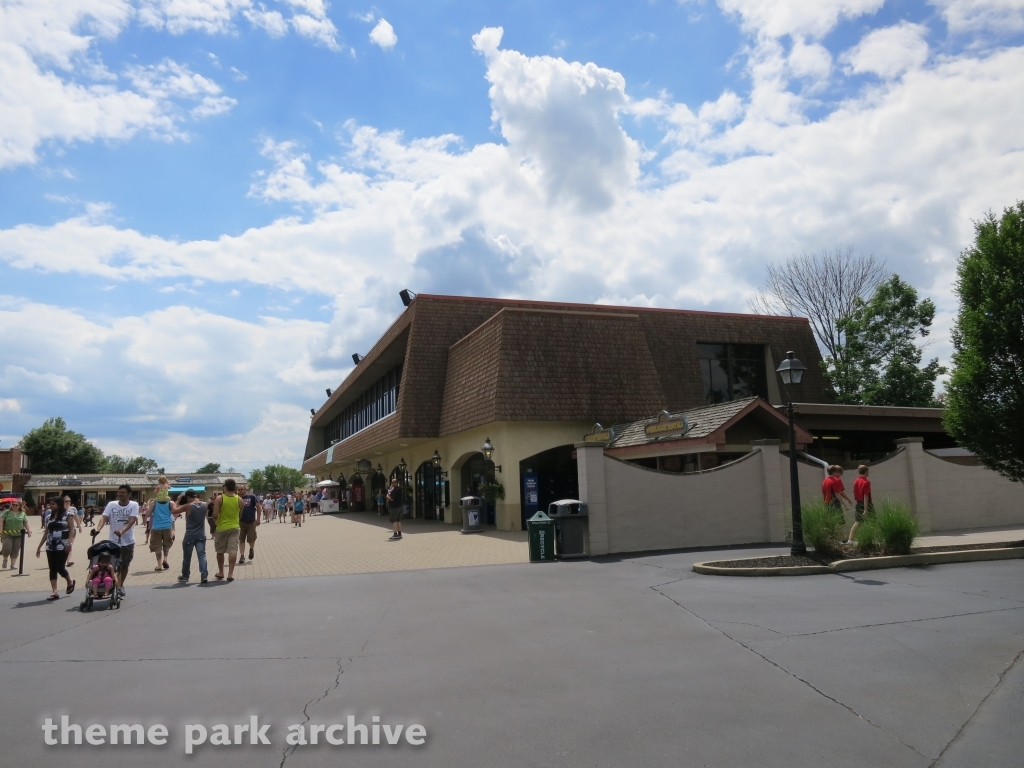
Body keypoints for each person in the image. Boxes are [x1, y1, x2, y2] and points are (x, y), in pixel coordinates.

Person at [94, 484, 139, 597]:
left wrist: (122, 531)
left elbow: (132, 520)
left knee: (124, 564)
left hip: (127, 541)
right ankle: (110, 584)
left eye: (123, 492)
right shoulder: (111, 504)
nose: (120, 494)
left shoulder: (134, 505)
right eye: (119, 492)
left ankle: (120, 585)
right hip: (113, 541)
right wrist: (98, 529)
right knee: (111, 564)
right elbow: (104, 517)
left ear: (129, 494)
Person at [35, 498, 75, 601]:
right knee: (52, 568)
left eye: (53, 504)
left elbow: (72, 530)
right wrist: (39, 546)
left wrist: (70, 543)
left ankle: (69, 581)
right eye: (50, 504)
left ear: (59, 505)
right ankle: (54, 591)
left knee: (59, 567)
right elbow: (46, 533)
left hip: (63, 545)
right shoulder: (48, 517)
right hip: (50, 545)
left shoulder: (68, 515)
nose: (51, 506)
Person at [175, 490, 209, 584]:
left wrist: (177, 501)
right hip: (201, 535)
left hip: (190, 535)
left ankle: (185, 576)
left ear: (188, 497)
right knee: (202, 555)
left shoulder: (188, 506)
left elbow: (174, 511)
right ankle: (204, 575)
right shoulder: (205, 504)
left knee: (187, 557)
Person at [212, 478, 241, 581]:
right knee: (233, 550)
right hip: (235, 527)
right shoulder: (239, 499)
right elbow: (240, 514)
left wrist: (216, 523)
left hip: (221, 527)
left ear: (225, 487)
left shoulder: (220, 498)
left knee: (220, 551)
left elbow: (215, 514)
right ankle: (230, 574)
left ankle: (221, 572)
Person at [147, 485, 175, 570]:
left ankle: (159, 565)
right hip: (167, 527)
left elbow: (148, 514)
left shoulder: (153, 503)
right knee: (166, 544)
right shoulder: (171, 503)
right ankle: (165, 559)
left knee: (157, 546)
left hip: (156, 528)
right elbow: (176, 513)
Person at [847, 465, 874, 545]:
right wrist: (866, 509)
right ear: (866, 471)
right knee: (873, 521)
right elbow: (865, 495)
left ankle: (850, 540)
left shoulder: (856, 481)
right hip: (866, 504)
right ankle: (872, 539)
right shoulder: (866, 482)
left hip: (858, 503)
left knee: (857, 522)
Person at [1, 500, 32, 569]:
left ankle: (13, 564)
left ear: (20, 506)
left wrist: (29, 531)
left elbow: (25, 522)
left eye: (16, 505)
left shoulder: (22, 513)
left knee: (16, 549)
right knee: (7, 548)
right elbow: (1, 520)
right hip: (7, 534)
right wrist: (1, 530)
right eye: (13, 504)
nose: (14, 506)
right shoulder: (6, 512)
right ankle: (5, 560)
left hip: (18, 535)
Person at [238, 484, 259, 564]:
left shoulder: (252, 497)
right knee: (241, 540)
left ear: (245, 490)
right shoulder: (237, 498)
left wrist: (258, 519)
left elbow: (258, 507)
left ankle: (251, 549)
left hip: (251, 521)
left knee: (251, 539)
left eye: (242, 489)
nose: (240, 491)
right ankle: (242, 556)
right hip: (241, 522)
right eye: (239, 489)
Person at [62, 496, 83, 566]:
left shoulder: (73, 509)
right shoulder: (60, 509)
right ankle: (62, 560)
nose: (68, 502)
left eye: (69, 501)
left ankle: (69, 560)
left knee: (70, 544)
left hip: (72, 529)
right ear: (63, 502)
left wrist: (79, 526)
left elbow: (76, 518)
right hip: (63, 529)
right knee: (63, 545)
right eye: (66, 501)